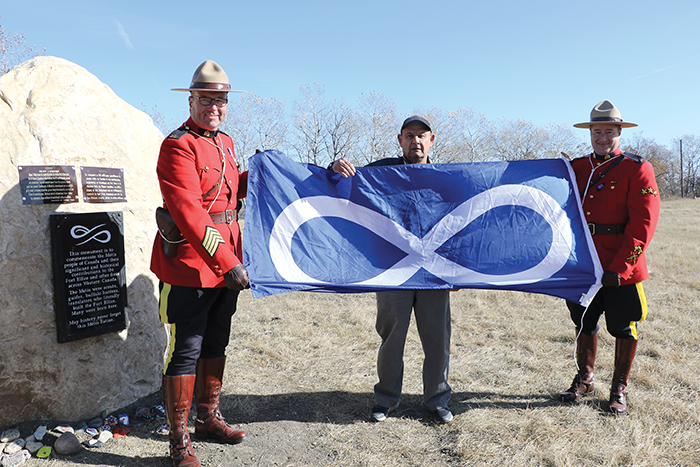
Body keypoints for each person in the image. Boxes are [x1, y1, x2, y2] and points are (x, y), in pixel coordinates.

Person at [150, 60, 249, 467]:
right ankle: (179, 438)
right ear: (190, 100)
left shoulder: (224, 142)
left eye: (220, 100)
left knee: (216, 342)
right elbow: (190, 211)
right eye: (206, 99)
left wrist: (265, 172)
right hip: (191, 264)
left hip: (226, 265)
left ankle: (208, 417)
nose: (214, 106)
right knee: (186, 349)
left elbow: (227, 192)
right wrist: (228, 262)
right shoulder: (178, 145)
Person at [330, 115, 453, 423]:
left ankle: (437, 400)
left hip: (434, 273)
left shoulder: (447, 176)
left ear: (432, 140)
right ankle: (386, 399)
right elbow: (344, 184)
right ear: (400, 140)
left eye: (422, 135)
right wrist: (335, 167)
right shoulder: (381, 172)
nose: (416, 141)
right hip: (394, 270)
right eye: (409, 135)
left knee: (437, 338)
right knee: (391, 337)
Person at [559, 100, 660, 415]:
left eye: (609, 131)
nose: (602, 137)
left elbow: (644, 223)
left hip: (619, 265)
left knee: (622, 325)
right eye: (597, 131)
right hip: (583, 263)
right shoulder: (576, 167)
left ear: (619, 132)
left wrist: (621, 266)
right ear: (590, 133)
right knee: (583, 321)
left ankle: (618, 388)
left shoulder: (637, 168)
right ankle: (585, 378)